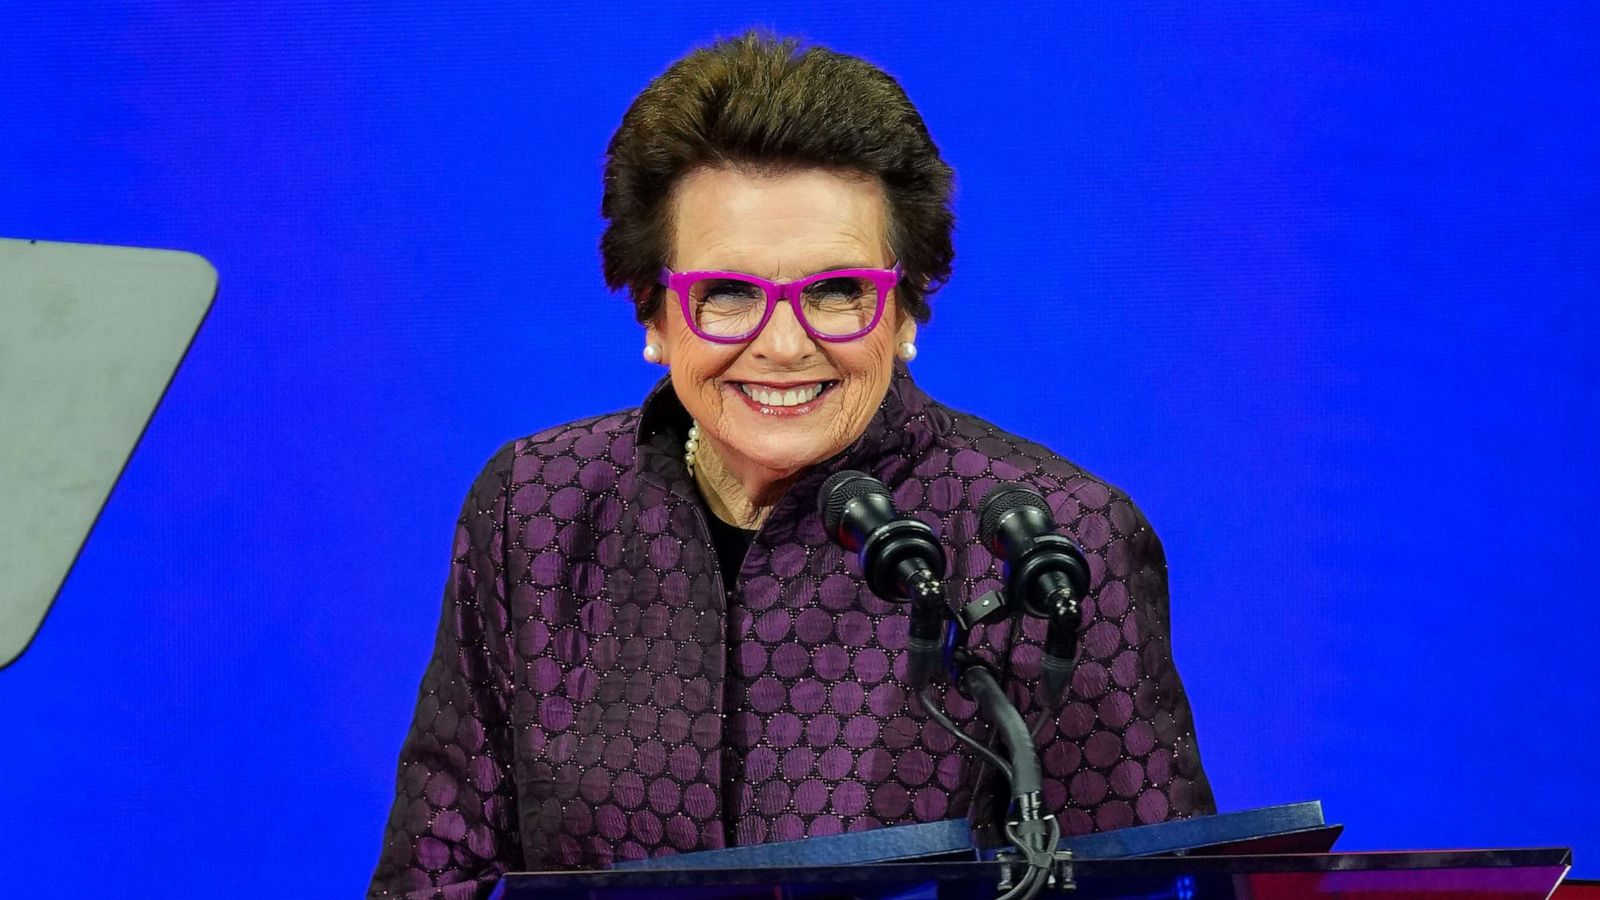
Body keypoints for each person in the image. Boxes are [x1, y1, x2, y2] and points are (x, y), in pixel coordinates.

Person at [369, 31, 1214, 899]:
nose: (781, 343)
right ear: (654, 318)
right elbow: (436, 880)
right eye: (726, 295)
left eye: (837, 291)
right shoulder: (536, 512)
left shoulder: (1049, 541)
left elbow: (1149, 886)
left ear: (906, 311)